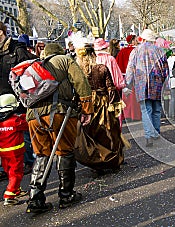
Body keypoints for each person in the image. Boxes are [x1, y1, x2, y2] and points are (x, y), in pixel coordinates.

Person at [25, 43, 93, 214]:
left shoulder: (35, 65)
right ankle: (66, 195)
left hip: (33, 116)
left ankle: (35, 199)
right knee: (64, 151)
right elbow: (81, 83)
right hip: (59, 112)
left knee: (42, 154)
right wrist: (87, 109)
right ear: (59, 52)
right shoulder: (65, 60)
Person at [75, 43, 125, 172]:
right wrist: (114, 104)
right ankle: (114, 161)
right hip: (103, 103)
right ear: (93, 55)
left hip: (87, 105)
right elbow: (111, 88)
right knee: (109, 132)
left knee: (92, 133)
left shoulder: (78, 71)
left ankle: (98, 163)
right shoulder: (102, 68)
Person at [0, 22, 36, 177]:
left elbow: (30, 68)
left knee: (22, 131)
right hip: (1, 98)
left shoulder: (17, 49)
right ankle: (4, 167)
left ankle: (27, 161)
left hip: (16, 97)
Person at [125, 29, 169, 147]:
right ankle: (156, 133)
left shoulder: (136, 50)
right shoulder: (160, 51)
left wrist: (127, 83)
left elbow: (130, 68)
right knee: (157, 109)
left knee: (146, 110)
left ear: (142, 38)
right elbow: (165, 70)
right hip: (157, 83)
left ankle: (149, 135)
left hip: (142, 84)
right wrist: (166, 84)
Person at [0, 94, 28, 206]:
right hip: (15, 154)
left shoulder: (2, 122)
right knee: (16, 173)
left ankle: (16, 190)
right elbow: (27, 125)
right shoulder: (16, 121)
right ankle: (9, 196)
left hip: (4, 153)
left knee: (10, 172)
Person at [116, 34, 142, 121]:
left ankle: (126, 114)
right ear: (133, 40)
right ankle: (135, 114)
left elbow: (118, 64)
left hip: (123, 76)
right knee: (134, 97)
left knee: (126, 97)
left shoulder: (122, 51)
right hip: (135, 76)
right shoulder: (137, 50)